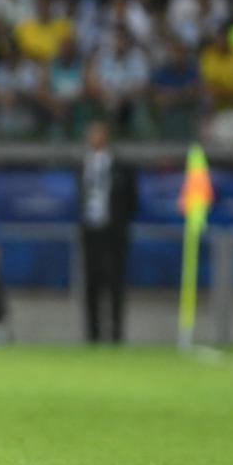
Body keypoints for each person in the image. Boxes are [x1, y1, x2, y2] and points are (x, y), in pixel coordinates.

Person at [78, 120, 137, 343]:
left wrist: (120, 222)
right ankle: (92, 335)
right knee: (91, 284)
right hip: (90, 231)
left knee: (115, 283)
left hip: (113, 234)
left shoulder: (120, 165)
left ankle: (116, 335)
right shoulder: (83, 163)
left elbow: (132, 200)